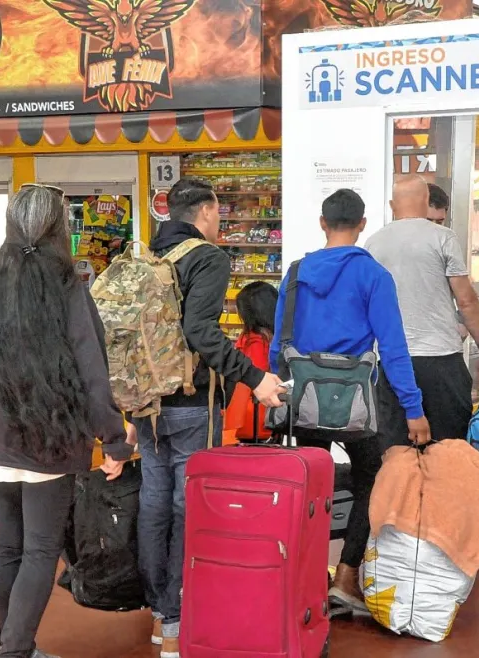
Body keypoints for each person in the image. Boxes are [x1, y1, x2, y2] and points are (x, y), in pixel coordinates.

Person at [107, 178, 284, 658]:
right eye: (218, 213)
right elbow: (200, 331)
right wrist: (254, 377)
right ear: (206, 211)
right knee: (190, 508)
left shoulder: (143, 255)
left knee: (154, 502)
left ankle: (160, 616)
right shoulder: (207, 258)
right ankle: (179, 618)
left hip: (146, 403)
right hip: (189, 404)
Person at [0, 185, 133, 658]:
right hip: (47, 427)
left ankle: (10, 642)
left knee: (10, 543)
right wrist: (114, 441)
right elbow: (90, 365)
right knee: (39, 547)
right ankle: (15, 651)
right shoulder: (65, 281)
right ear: (59, 226)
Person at [270, 188, 430, 612]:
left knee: (308, 484)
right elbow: (394, 350)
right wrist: (413, 410)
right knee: (369, 475)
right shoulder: (374, 276)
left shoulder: (297, 271)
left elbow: (277, 343)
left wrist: (273, 387)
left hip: (302, 398)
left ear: (323, 223)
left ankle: (304, 577)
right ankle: (345, 576)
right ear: (362, 225)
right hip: (357, 400)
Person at [366, 176, 479, 445]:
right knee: (448, 448)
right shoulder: (444, 238)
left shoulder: (373, 243)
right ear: (426, 201)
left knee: (396, 452)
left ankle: (402, 489)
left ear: (393, 205)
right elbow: (467, 301)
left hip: (391, 362)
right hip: (440, 360)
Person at [225, 282, 279, 441]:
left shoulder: (255, 341)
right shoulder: (274, 338)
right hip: (267, 415)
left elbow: (250, 380)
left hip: (250, 419)